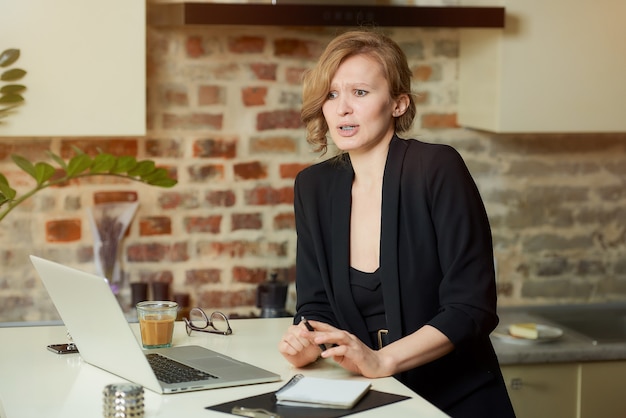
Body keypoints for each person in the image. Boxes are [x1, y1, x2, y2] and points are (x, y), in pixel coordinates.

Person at [277, 30, 515, 417]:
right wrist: (309, 341)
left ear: (398, 104)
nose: (343, 109)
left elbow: (471, 307)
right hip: (372, 399)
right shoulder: (314, 186)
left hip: (457, 398)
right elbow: (316, 302)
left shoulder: (437, 168)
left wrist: (381, 360)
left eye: (360, 92)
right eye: (332, 94)